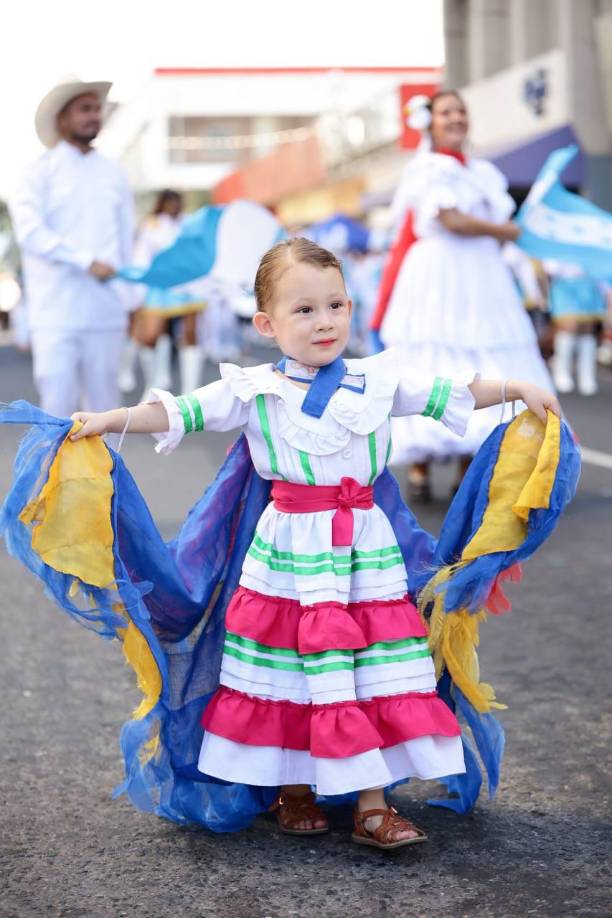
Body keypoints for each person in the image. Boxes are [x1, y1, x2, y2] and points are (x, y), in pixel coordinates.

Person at [69, 238, 559, 848]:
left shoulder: (376, 380)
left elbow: (455, 391)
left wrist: (517, 388)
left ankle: (372, 804)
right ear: (266, 324)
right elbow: (176, 414)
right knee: (291, 670)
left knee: (372, 668)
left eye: (335, 305)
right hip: (289, 558)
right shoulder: (253, 389)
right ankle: (294, 787)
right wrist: (106, 420)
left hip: (366, 556)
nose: (324, 321)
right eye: (303, 310)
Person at [373, 91, 554, 501]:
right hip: (439, 272)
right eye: (446, 112)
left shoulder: (484, 172)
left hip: (483, 275)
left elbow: (500, 222)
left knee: (482, 354)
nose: (455, 118)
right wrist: (505, 231)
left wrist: (514, 231)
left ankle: (467, 464)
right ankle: (420, 463)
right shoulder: (426, 167)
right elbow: (451, 220)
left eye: (460, 111)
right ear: (431, 122)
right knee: (432, 353)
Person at [10, 78, 134, 419]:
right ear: (62, 119)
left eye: (96, 109)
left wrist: (131, 298)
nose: (93, 116)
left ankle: (105, 460)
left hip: (106, 311)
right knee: (57, 408)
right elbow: (31, 232)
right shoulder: (39, 171)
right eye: (84, 109)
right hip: (56, 313)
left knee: (106, 412)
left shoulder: (114, 172)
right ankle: (56, 460)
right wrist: (85, 261)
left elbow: (126, 241)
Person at [124, 189, 205, 397]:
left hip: (187, 285)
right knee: (150, 336)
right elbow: (142, 257)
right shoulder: (152, 225)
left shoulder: (190, 223)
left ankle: (191, 391)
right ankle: (153, 385)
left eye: (177, 202)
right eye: (170, 202)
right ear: (162, 204)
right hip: (159, 286)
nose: (174, 207)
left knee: (189, 334)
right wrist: (138, 288)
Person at [544, 260, 608, 395]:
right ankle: (561, 372)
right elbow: (550, 267)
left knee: (587, 329)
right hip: (565, 285)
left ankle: (587, 375)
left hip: (589, 284)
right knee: (568, 327)